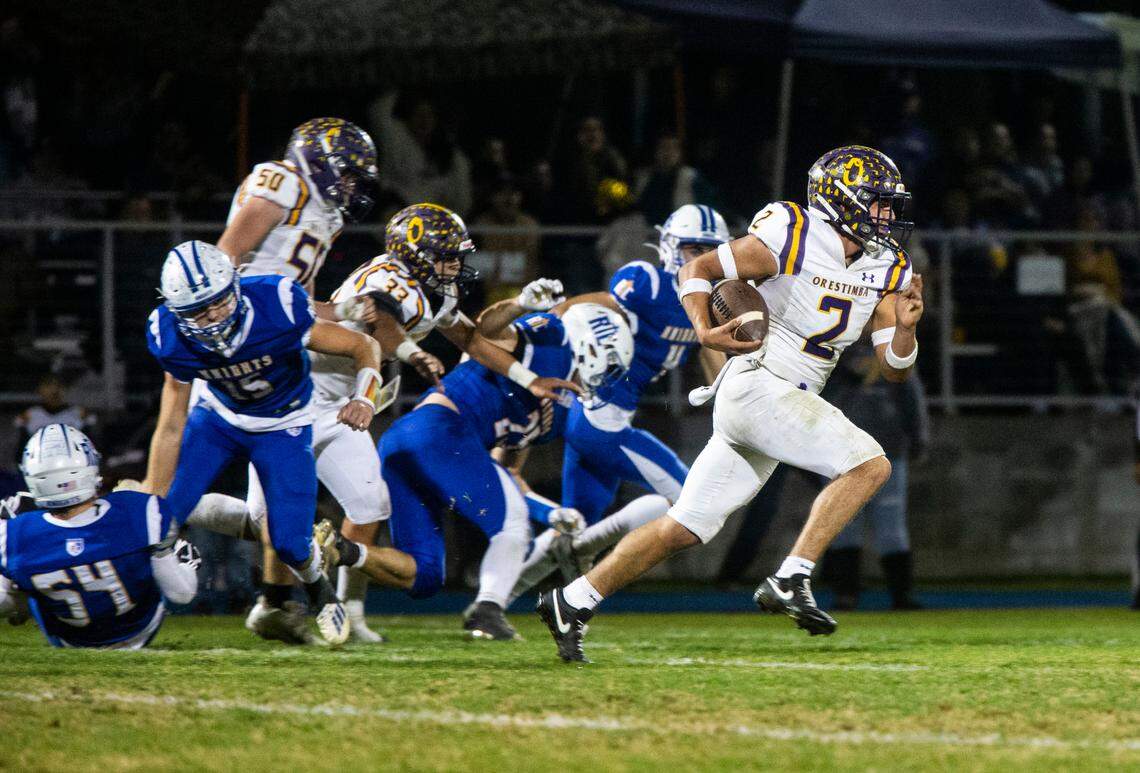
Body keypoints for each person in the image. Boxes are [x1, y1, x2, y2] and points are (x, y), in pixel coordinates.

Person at [538, 145, 925, 662]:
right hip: (758, 382)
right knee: (869, 465)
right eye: (877, 204)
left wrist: (905, 328)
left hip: (784, 398)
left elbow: (895, 369)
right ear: (840, 199)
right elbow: (698, 267)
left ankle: (571, 600)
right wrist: (703, 328)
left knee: (686, 526)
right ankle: (793, 576)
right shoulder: (794, 231)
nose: (888, 216)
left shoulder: (887, 266)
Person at [315, 203, 578, 642]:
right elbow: (382, 319)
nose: (454, 263)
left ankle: (346, 599)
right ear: (412, 253)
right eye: (444, 254)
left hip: (355, 397)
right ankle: (487, 610)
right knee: (288, 511)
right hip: (318, 389)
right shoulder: (390, 279)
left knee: (408, 556)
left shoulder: (434, 290)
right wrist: (412, 353)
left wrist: (529, 380)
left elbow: (472, 338)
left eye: (457, 254)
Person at [328, 303, 633, 641]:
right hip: (440, 427)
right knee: (512, 523)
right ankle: (487, 612)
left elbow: (507, 473)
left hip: (418, 443)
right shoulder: (549, 342)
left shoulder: (560, 410)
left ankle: (341, 554)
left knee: (424, 575)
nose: (605, 377)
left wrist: (551, 511)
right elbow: (483, 331)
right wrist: (520, 304)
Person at [140, 240, 384, 645]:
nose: (213, 317)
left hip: (283, 424)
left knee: (290, 542)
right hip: (218, 420)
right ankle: (135, 616)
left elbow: (364, 346)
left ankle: (319, 591)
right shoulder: (170, 337)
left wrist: (364, 397)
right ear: (176, 312)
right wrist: (153, 492)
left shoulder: (277, 304)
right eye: (197, 312)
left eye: (218, 302)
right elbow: (170, 424)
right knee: (161, 520)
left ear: (235, 287)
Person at [502, 204, 731, 601]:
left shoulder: (707, 302)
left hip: (603, 421)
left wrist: (732, 402)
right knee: (688, 497)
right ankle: (581, 554)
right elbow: (581, 308)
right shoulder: (649, 282)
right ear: (673, 248)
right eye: (695, 250)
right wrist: (549, 323)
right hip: (600, 420)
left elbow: (713, 357)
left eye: (711, 251)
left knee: (572, 527)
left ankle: (491, 604)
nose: (703, 260)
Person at [217, 117, 381, 644]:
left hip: (278, 339)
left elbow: (290, 296)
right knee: (272, 502)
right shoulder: (282, 180)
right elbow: (227, 258)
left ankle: (275, 603)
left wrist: (337, 308)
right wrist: (225, 328)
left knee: (276, 501)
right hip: (243, 339)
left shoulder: (323, 212)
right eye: (348, 173)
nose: (353, 186)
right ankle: (151, 508)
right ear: (321, 162)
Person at [0, 424, 199, 648]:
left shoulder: (14, 532)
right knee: (161, 551)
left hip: (68, 640)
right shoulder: (140, 511)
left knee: (17, 572)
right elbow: (182, 595)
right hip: (139, 630)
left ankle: (23, 602)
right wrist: (177, 557)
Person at [820, 340, 929, 610]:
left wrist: (918, 438)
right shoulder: (830, 353)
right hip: (842, 451)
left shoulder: (893, 351)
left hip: (884, 449)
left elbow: (911, 396)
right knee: (844, 524)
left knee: (889, 526)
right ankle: (849, 594)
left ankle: (899, 595)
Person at [14, 374, 95, 456]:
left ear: (66, 389)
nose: (54, 390)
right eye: (48, 385)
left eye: (59, 385)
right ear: (40, 389)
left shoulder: (79, 413)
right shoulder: (30, 415)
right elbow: (20, 451)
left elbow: (92, 448)